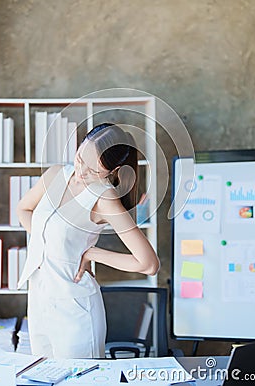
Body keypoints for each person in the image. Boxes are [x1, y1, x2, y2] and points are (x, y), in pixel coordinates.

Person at [17, 122, 160, 359]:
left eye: (94, 171)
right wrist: (47, 243)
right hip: (39, 298)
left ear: (112, 172)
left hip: (76, 310)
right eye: (81, 159)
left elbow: (148, 264)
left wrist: (91, 253)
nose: (81, 172)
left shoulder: (104, 198)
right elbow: (23, 209)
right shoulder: (55, 174)